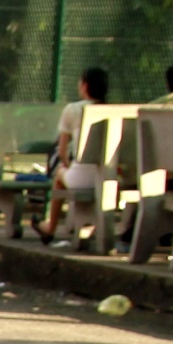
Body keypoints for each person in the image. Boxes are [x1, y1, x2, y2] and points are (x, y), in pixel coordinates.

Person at [43, 65, 110, 242]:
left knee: (60, 175)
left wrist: (68, 166)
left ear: (85, 85)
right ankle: (89, 226)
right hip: (109, 178)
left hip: (81, 177)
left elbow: (62, 153)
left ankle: (51, 228)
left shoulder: (73, 109)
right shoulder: (112, 110)